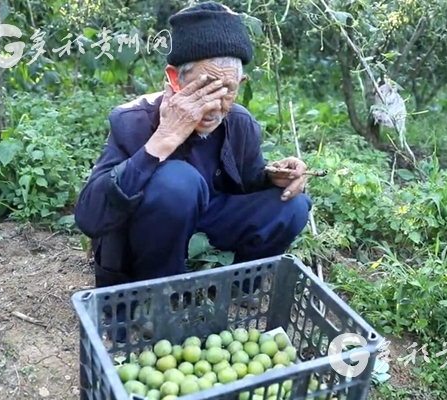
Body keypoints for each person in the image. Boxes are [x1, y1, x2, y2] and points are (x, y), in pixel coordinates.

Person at [74, 1, 312, 306]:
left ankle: (235, 285)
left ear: (241, 84)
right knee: (178, 182)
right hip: (148, 233)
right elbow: (90, 218)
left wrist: (273, 178)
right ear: (175, 79)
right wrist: (162, 141)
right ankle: (154, 298)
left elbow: (249, 185)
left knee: (293, 206)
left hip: (208, 219)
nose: (214, 105)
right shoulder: (132, 120)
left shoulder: (240, 124)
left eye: (227, 90)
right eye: (204, 88)